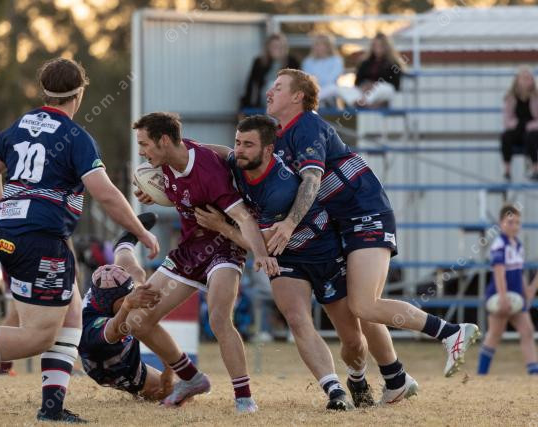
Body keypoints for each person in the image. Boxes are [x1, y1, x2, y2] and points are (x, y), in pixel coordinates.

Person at [0, 57, 159, 423]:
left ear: (44, 91)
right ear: (79, 93)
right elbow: (105, 193)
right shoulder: (76, 137)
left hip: (18, 234)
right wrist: (140, 232)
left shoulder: (19, 126)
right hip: (40, 239)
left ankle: (52, 408)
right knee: (37, 336)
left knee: (72, 315)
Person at [263, 68, 480, 378]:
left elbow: (312, 179)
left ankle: (450, 332)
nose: (270, 92)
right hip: (346, 222)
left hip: (366, 214)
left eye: (278, 87)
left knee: (364, 306)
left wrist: (288, 224)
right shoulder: (283, 135)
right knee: (363, 309)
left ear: (298, 96)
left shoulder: (307, 125)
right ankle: (395, 380)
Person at [200, 115, 418, 409]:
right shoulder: (238, 161)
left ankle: (357, 376)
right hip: (287, 258)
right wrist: (183, 150)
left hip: (322, 253)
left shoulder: (279, 187)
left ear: (268, 150)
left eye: (248, 145)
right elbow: (217, 152)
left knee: (353, 341)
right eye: (238, 142)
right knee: (296, 318)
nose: (239, 150)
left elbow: (262, 244)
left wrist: (222, 227)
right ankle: (335, 392)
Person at [131, 112, 279, 413]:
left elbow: (243, 218)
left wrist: (262, 254)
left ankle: (244, 398)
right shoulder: (171, 157)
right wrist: (157, 194)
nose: (141, 152)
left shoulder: (208, 172)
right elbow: (189, 183)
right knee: (138, 320)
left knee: (219, 319)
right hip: (189, 250)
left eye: (144, 144)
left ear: (163, 140)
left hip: (224, 248)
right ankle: (192, 378)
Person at [79, 213, 180, 400]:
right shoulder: (91, 322)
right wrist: (128, 304)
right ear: (113, 303)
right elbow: (114, 330)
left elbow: (150, 329)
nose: (132, 298)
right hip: (113, 366)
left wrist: (169, 367)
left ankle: (124, 244)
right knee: (175, 393)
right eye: (125, 298)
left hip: (118, 326)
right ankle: (142, 391)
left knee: (137, 276)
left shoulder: (103, 292)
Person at [478, 205, 538, 375]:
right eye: (510, 222)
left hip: (517, 297)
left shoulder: (518, 245)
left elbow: (519, 273)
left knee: (527, 331)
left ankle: (533, 371)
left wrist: (526, 291)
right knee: (495, 334)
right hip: (500, 297)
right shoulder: (499, 245)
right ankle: (481, 374)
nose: (514, 226)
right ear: (501, 223)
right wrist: (503, 298)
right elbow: (499, 273)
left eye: (517, 222)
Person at [338, 32, 406, 108]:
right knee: (343, 89)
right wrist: (364, 85)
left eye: (380, 45)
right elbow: (357, 81)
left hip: (382, 90)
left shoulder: (393, 63)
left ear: (386, 47)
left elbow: (395, 84)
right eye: (375, 45)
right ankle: (362, 103)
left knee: (381, 88)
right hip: (364, 90)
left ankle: (364, 103)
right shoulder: (365, 62)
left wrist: (374, 84)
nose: (377, 48)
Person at [240, 33, 300, 112]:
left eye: (279, 46)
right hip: (265, 96)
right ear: (268, 47)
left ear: (283, 47)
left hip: (285, 96)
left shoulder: (292, 62)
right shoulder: (259, 62)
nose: (276, 49)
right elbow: (251, 84)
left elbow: (298, 83)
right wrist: (246, 104)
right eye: (273, 46)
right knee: (270, 86)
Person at [500, 66, 538, 181]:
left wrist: (530, 125)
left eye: (530, 78)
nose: (528, 81)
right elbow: (506, 119)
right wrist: (517, 124)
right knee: (505, 136)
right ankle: (507, 170)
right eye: (525, 78)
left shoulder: (536, 97)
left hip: (533, 129)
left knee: (531, 136)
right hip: (517, 128)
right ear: (518, 81)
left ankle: (536, 168)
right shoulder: (510, 98)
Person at [301, 34, 343, 108]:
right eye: (316, 44)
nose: (318, 47)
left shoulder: (336, 60)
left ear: (328, 46)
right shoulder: (307, 61)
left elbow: (330, 79)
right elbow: (308, 80)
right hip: (313, 90)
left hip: (330, 93)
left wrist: (317, 80)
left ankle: (315, 99)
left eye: (322, 44)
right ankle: (316, 100)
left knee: (333, 88)